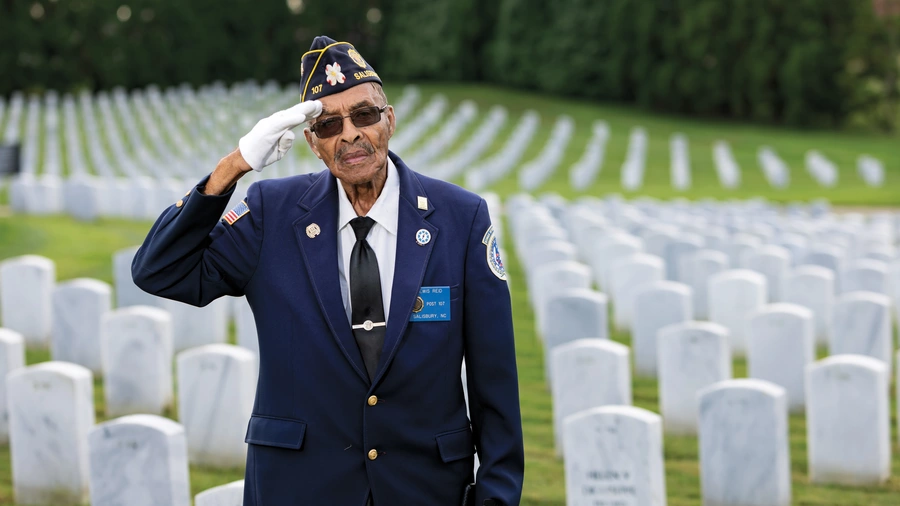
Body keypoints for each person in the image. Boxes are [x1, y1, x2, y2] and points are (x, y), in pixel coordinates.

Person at [132, 35, 524, 505]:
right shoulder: (272, 213)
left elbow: (495, 383)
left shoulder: (460, 218)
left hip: (423, 489)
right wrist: (234, 166)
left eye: (364, 115)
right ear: (313, 144)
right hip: (298, 488)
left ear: (390, 120)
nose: (351, 134)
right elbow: (159, 270)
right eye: (329, 124)